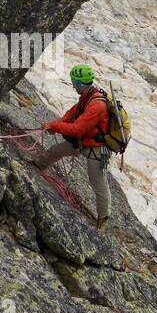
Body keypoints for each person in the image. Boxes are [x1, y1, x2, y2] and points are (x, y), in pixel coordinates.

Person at [37, 63, 112, 230]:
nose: (72, 85)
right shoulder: (88, 96)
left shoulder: (97, 105)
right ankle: (37, 166)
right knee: (55, 151)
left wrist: (55, 127)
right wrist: (53, 124)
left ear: (79, 83)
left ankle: (103, 219)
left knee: (98, 183)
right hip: (83, 141)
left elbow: (78, 128)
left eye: (73, 82)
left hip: (96, 148)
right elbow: (72, 114)